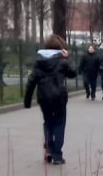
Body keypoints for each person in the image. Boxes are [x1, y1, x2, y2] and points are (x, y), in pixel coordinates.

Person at [24, 35, 76, 165]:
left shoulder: (39, 62)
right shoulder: (62, 61)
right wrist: (68, 58)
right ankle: (57, 155)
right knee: (59, 124)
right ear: (60, 47)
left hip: (44, 97)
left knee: (48, 122)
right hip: (59, 98)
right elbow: (73, 73)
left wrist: (27, 101)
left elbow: (31, 81)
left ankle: (48, 147)